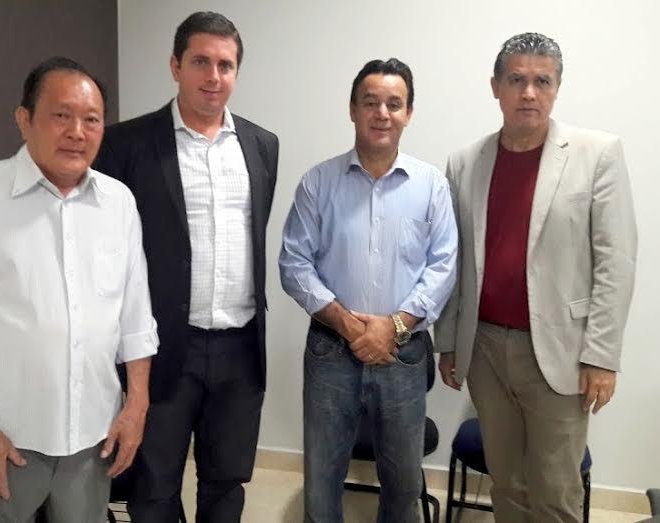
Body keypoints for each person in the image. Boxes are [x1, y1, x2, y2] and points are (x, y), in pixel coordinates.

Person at [0, 56, 157, 522]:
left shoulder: (119, 203)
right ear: (24, 119)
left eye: (91, 119)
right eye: (61, 115)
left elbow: (136, 320)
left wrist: (136, 408)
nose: (77, 132)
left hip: (93, 434)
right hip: (3, 438)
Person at [434, 32, 637, 522]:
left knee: (555, 493)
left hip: (561, 353)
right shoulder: (465, 162)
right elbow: (453, 260)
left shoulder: (597, 154)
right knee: (507, 486)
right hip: (484, 349)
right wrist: (450, 341)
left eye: (542, 81)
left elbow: (616, 260)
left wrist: (602, 356)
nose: (529, 92)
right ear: (495, 87)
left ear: (557, 87)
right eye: (516, 80)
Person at [93, 11, 279, 523]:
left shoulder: (262, 145)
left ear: (236, 71)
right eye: (200, 62)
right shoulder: (126, 144)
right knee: (153, 487)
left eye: (225, 65)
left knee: (227, 483)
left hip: (241, 349)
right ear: (175, 66)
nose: (213, 76)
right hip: (162, 348)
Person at [279, 58, 457, 523]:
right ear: (353, 109)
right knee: (322, 483)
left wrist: (393, 327)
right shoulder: (318, 182)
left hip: (403, 354)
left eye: (394, 104)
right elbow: (294, 263)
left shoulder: (431, 186)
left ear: (409, 113)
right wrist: (350, 325)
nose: (382, 113)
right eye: (370, 102)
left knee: (403, 487)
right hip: (331, 352)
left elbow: (443, 266)